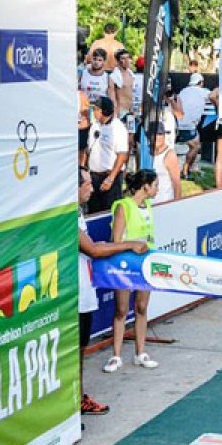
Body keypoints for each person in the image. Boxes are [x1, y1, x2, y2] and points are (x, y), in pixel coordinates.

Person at [77, 168, 149, 416]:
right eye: (87, 184)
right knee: (77, 352)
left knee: (80, 352)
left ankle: (78, 398)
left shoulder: (78, 213)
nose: (92, 188)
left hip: (85, 293)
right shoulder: (68, 215)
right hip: (75, 295)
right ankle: (75, 400)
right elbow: (94, 251)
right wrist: (130, 244)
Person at [104, 169, 160, 373]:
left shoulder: (149, 206)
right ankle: (116, 355)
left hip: (145, 263)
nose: (157, 190)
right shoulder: (123, 207)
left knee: (142, 307)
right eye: (155, 185)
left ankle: (140, 353)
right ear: (145, 186)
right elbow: (116, 241)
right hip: (125, 265)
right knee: (121, 309)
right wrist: (133, 245)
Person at [83, 96, 129, 213]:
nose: (93, 112)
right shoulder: (95, 125)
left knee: (110, 211)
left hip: (109, 177)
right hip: (94, 176)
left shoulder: (118, 128)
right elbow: (88, 149)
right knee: (93, 211)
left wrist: (111, 178)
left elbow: (122, 155)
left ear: (103, 111)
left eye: (96, 109)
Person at [177, 73, 210, 178]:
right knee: (195, 147)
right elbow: (213, 96)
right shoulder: (202, 92)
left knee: (195, 143)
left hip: (177, 124)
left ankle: (187, 169)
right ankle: (186, 170)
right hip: (188, 125)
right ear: (200, 82)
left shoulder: (183, 91)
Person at [151, 122, 181, 203]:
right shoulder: (147, 153)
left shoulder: (169, 155)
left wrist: (177, 204)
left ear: (164, 135)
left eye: (160, 134)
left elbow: (177, 183)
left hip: (165, 202)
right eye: (154, 134)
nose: (157, 137)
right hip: (149, 203)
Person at [108, 50, 136, 126]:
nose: (127, 60)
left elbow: (133, 94)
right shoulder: (114, 77)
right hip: (120, 112)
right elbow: (112, 97)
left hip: (131, 111)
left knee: (130, 136)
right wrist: (115, 114)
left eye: (128, 58)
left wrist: (134, 110)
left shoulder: (131, 75)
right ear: (117, 61)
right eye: (123, 58)